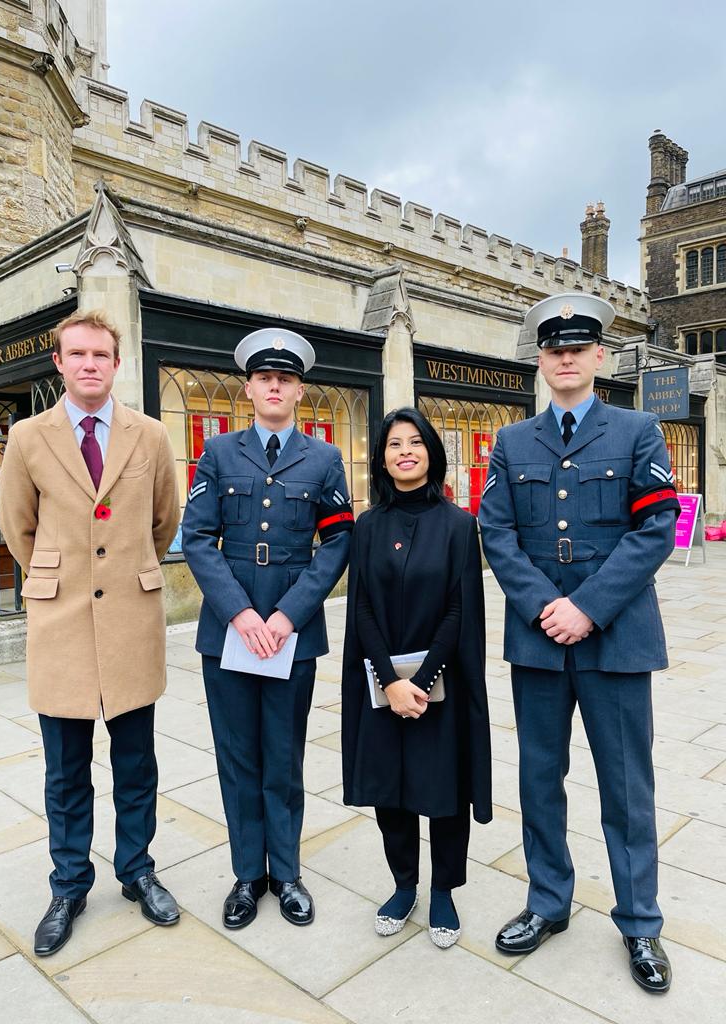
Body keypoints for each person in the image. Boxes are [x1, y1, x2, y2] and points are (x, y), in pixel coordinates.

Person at [479, 293, 680, 993]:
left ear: (599, 357)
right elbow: (496, 532)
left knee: (627, 788)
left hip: (616, 639)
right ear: (541, 359)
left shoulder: (639, 431)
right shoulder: (511, 443)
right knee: (540, 780)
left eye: (577, 349)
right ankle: (547, 902)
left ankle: (641, 922)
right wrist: (546, 607)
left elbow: (656, 530)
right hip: (539, 643)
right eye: (553, 349)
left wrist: (587, 608)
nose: (565, 359)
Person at [0, 310, 181, 957]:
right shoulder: (27, 439)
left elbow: (164, 521)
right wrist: (60, 577)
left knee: (136, 765)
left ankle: (137, 871)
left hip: (131, 624)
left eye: (100, 354)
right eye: (77, 354)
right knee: (66, 772)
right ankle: (70, 883)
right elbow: (19, 530)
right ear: (59, 362)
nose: (89, 364)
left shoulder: (151, 436)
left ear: (117, 362)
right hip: (62, 627)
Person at [182, 327, 352, 930]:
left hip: (290, 630)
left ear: (299, 391)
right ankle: (247, 874)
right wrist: (241, 613)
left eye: (285, 378)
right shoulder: (218, 453)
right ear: (249, 388)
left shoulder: (324, 459)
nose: (274, 386)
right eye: (264, 378)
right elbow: (198, 538)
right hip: (230, 627)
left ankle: (287, 872)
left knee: (283, 754)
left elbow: (337, 543)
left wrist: (285, 616)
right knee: (237, 756)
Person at [341, 407, 492, 948]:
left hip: (441, 687)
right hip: (383, 685)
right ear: (382, 458)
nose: (405, 451)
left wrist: (422, 682)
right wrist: (388, 680)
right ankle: (404, 885)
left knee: (444, 791)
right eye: (393, 444)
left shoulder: (457, 524)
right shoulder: (367, 526)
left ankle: (444, 891)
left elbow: (459, 611)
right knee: (392, 791)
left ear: (431, 452)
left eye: (415, 442)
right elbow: (361, 611)